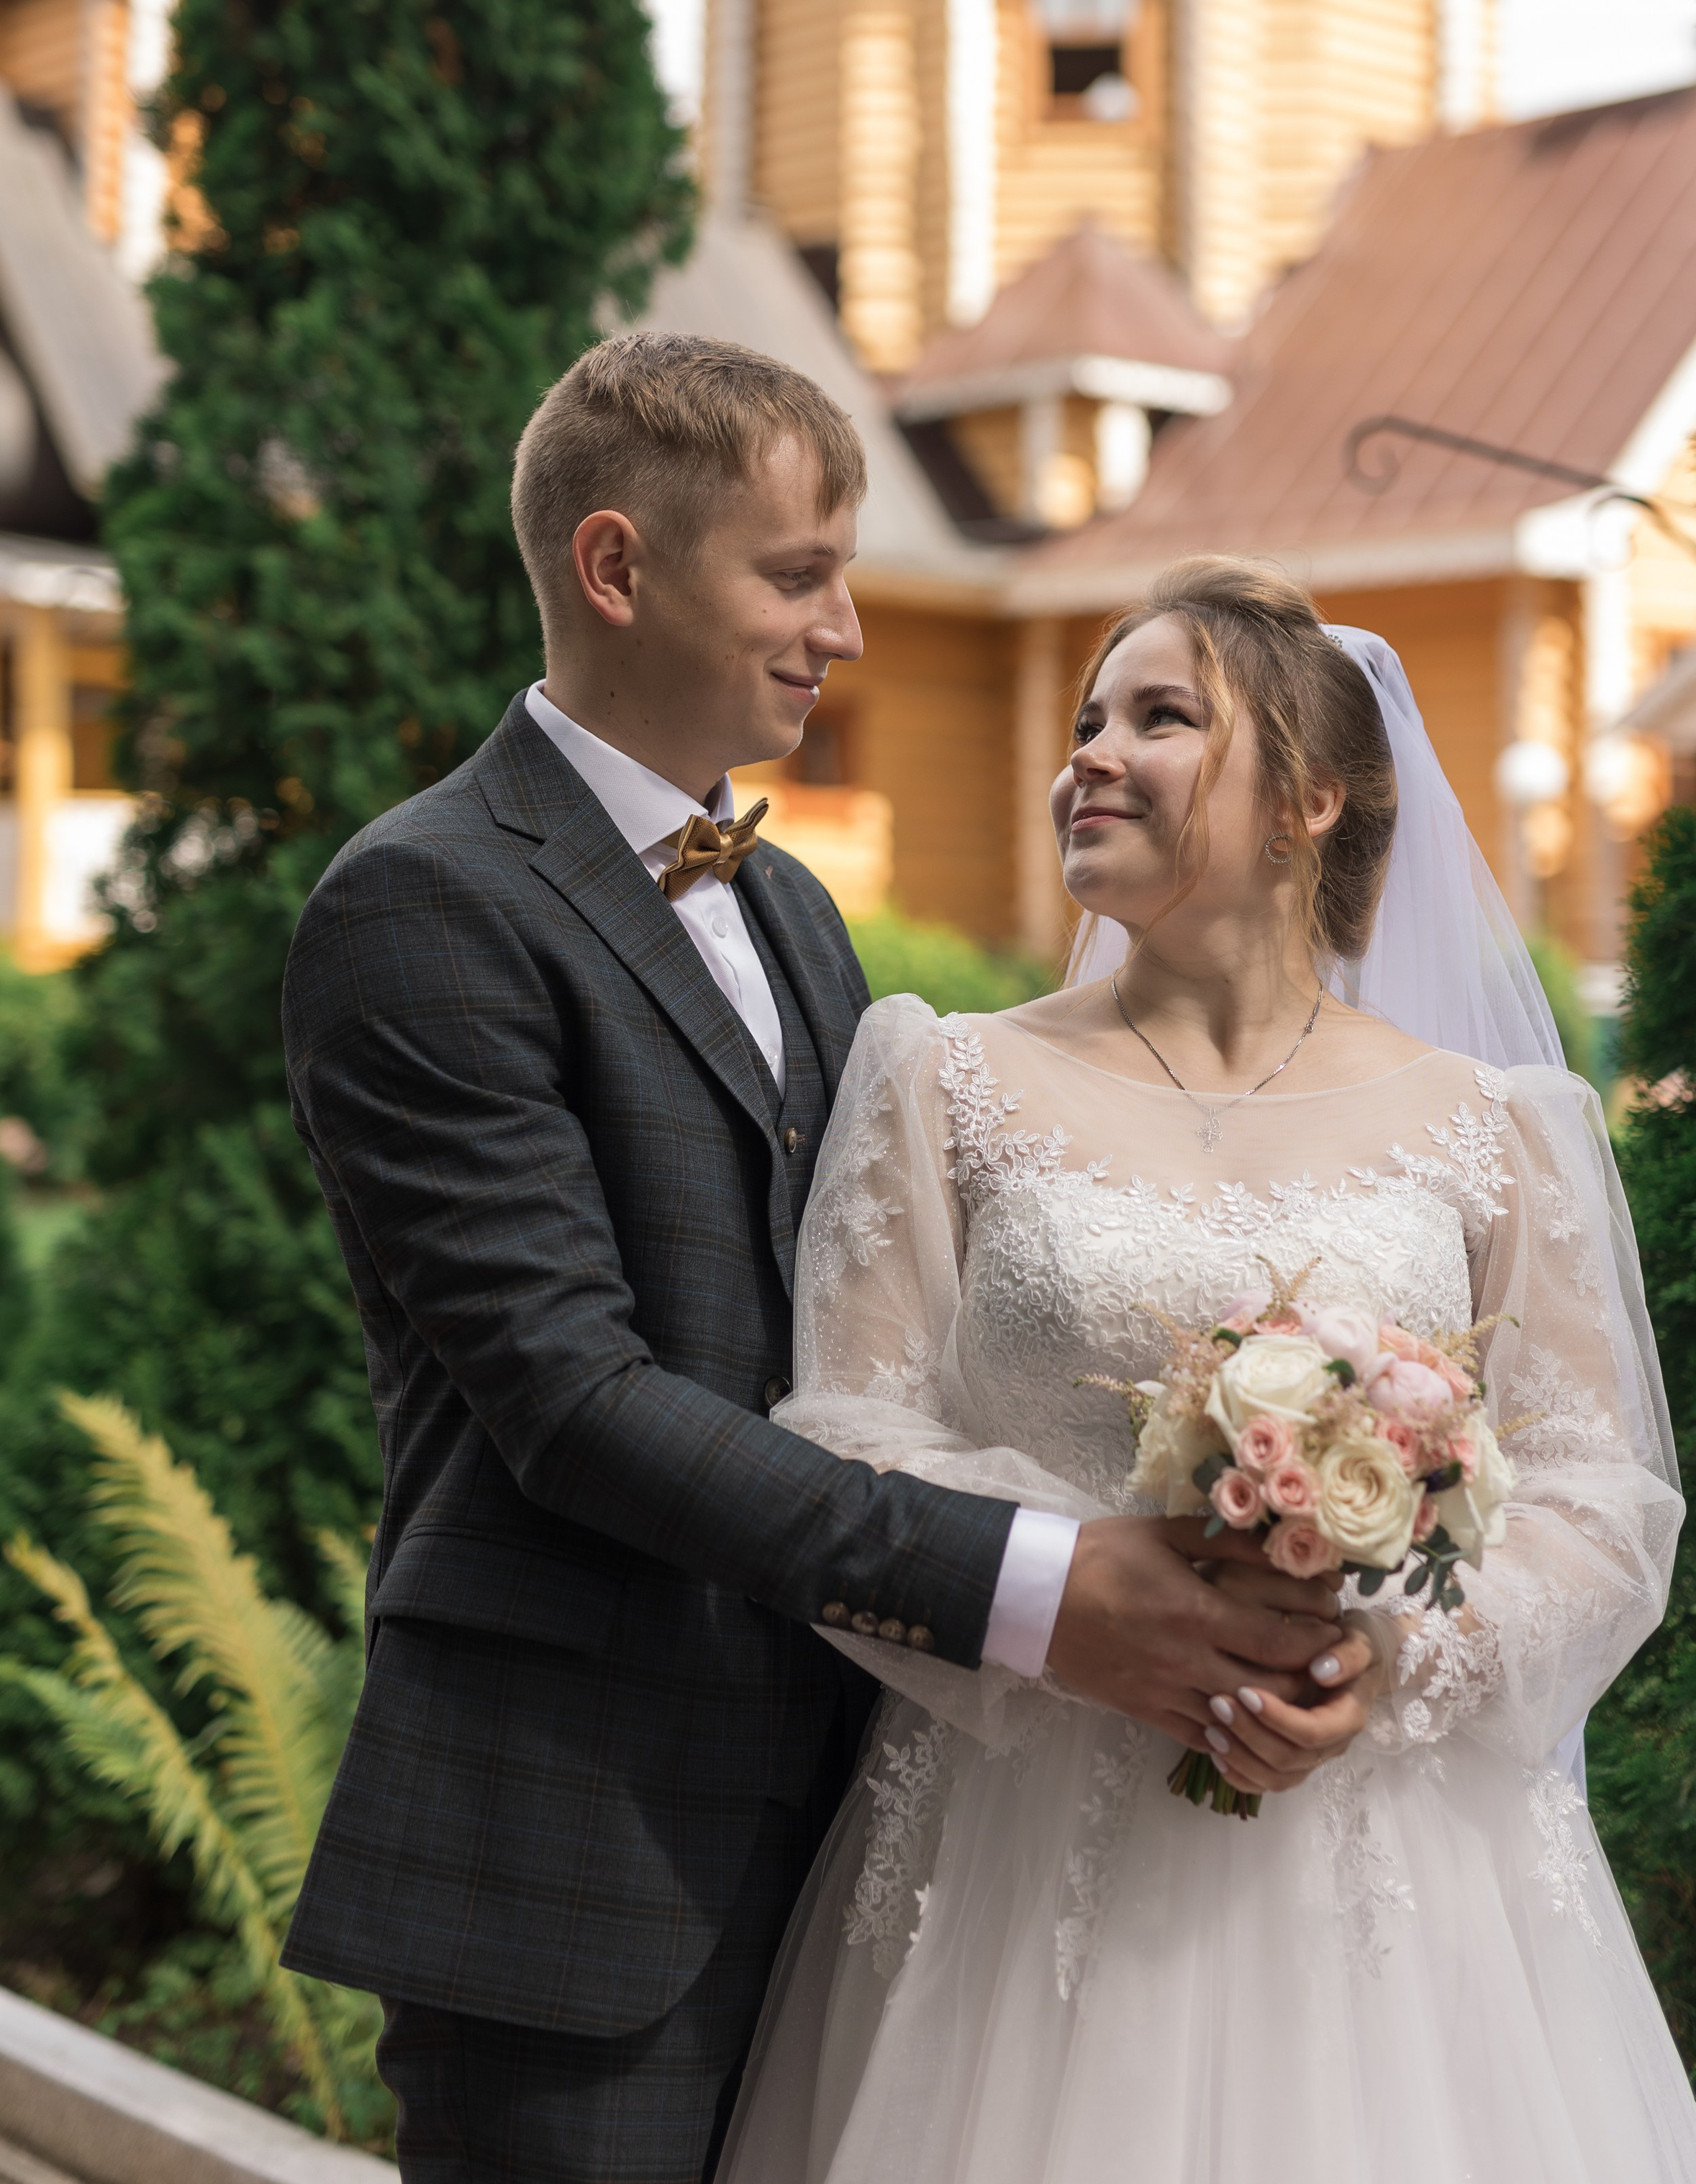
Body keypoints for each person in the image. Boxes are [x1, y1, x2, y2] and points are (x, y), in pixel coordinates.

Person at [279, 340, 1370, 2184]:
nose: (844, 629)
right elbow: (570, 1397)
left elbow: (892, 1337)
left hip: (877, 1836)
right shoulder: (424, 900)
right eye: (797, 573)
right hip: (584, 1853)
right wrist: (1036, 1588)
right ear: (616, 567)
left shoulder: (789, 905)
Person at [715, 557, 1696, 2184]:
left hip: (1392, 1872)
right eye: (1084, 720)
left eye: (1160, 716)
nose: (1090, 756)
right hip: (1018, 1845)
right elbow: (845, 1434)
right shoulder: (941, 1075)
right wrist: (1082, 1590)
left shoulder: (1500, 1124)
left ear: (1309, 798)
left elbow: (1598, 1494)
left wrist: (1388, 1653)